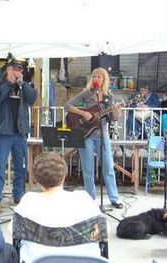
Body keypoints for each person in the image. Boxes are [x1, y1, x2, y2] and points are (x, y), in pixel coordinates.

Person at [13, 152, 103, 262]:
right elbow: (103, 230)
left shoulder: (28, 201)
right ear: (64, 176)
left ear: (37, 181)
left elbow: (14, 231)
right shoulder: (84, 199)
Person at [64, 67, 123, 208]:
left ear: (104, 80)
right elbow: (67, 105)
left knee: (108, 167)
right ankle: (90, 199)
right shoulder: (86, 94)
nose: (97, 79)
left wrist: (117, 114)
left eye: (99, 77)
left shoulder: (109, 97)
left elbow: (112, 118)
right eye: (94, 76)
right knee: (88, 168)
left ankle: (114, 198)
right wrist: (83, 113)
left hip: (102, 134)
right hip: (86, 135)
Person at [0, 61, 37, 213]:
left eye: (19, 71)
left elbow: (32, 99)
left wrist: (22, 83)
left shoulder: (23, 86)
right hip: (4, 132)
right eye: (15, 70)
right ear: (8, 71)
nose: (17, 73)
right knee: (0, 167)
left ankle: (19, 195)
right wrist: (9, 83)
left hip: (20, 132)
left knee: (21, 167)